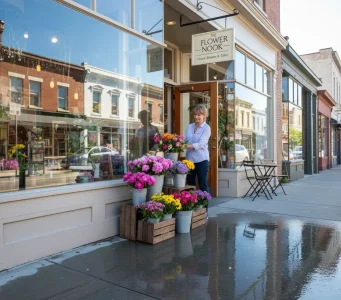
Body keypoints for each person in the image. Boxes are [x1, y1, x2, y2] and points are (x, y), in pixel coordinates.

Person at [184, 104, 211, 194]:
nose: (196, 117)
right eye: (195, 114)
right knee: (190, 185)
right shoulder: (190, 126)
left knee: (203, 185)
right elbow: (185, 140)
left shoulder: (206, 128)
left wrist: (186, 146)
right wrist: (178, 142)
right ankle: (193, 207)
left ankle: (204, 207)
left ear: (204, 115)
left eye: (199, 115)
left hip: (201, 160)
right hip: (190, 160)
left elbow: (201, 144)